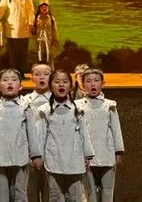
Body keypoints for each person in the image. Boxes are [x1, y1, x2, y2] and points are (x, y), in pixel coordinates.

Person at [0, 69, 42, 202]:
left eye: (14, 80)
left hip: (20, 157)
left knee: (20, 194)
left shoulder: (25, 107)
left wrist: (36, 155)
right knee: (1, 195)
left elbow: (32, 132)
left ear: (20, 86)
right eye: (5, 80)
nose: (10, 82)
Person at [38, 70, 94, 202]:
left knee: (75, 197)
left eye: (65, 81)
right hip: (53, 160)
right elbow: (40, 135)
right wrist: (38, 156)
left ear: (71, 86)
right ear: (50, 86)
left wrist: (87, 154)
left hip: (74, 160)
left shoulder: (78, 109)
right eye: (57, 82)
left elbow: (84, 133)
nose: (61, 85)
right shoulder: (45, 110)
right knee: (55, 197)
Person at [76, 69, 125, 202]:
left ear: (102, 83)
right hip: (86, 156)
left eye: (96, 80)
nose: (93, 84)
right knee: (90, 190)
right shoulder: (78, 106)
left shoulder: (109, 105)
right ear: (83, 84)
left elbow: (116, 129)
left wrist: (118, 151)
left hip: (106, 153)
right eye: (88, 81)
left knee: (107, 190)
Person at [22, 63, 53, 202]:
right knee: (31, 192)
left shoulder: (57, 100)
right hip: (29, 153)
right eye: (37, 74)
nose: (42, 77)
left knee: (50, 192)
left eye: (46, 74)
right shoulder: (25, 101)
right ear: (32, 78)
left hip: (52, 152)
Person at [0, 0, 34, 76]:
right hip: (12, 28)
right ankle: (14, 74)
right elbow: (1, 8)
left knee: (23, 53)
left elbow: (30, 10)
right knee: (13, 53)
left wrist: (31, 23)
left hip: (24, 27)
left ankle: (21, 73)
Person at [31, 0, 59, 66]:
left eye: (46, 7)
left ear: (48, 8)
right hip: (38, 42)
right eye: (42, 7)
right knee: (39, 55)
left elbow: (55, 30)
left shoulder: (51, 19)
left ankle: (50, 68)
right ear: (39, 9)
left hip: (49, 41)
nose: (44, 9)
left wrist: (55, 39)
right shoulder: (35, 19)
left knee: (49, 55)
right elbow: (32, 30)